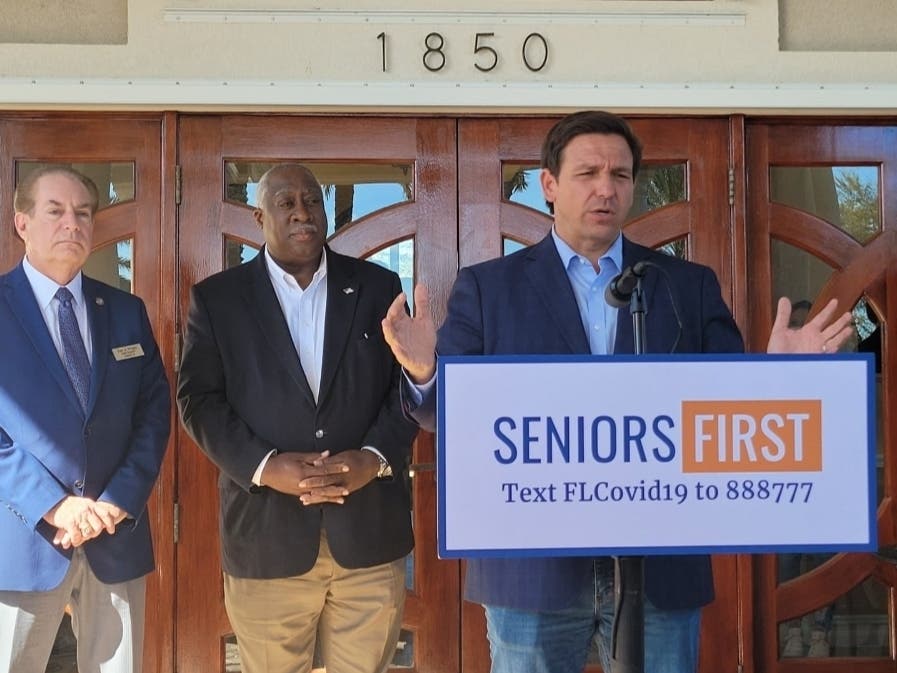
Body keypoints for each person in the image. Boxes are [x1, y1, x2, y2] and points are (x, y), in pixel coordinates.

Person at [381, 110, 854, 673]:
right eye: (588, 173)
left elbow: (727, 415)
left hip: (660, 564)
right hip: (533, 568)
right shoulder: (489, 288)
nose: (606, 188)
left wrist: (781, 379)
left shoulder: (686, 286)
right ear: (549, 184)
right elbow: (449, 415)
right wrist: (425, 371)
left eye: (621, 175)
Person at [177, 163, 418, 673]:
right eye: (286, 203)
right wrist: (266, 466)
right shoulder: (218, 300)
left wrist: (373, 458)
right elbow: (199, 400)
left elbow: (407, 389)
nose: (302, 213)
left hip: (369, 536)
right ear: (259, 216)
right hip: (267, 540)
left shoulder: (378, 287)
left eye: (311, 200)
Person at [0, 166, 171, 673]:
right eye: (55, 211)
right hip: (23, 541)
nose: (71, 224)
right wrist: (55, 505)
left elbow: (153, 413)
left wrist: (117, 500)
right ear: (22, 222)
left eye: (82, 213)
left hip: (114, 539)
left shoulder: (125, 311)